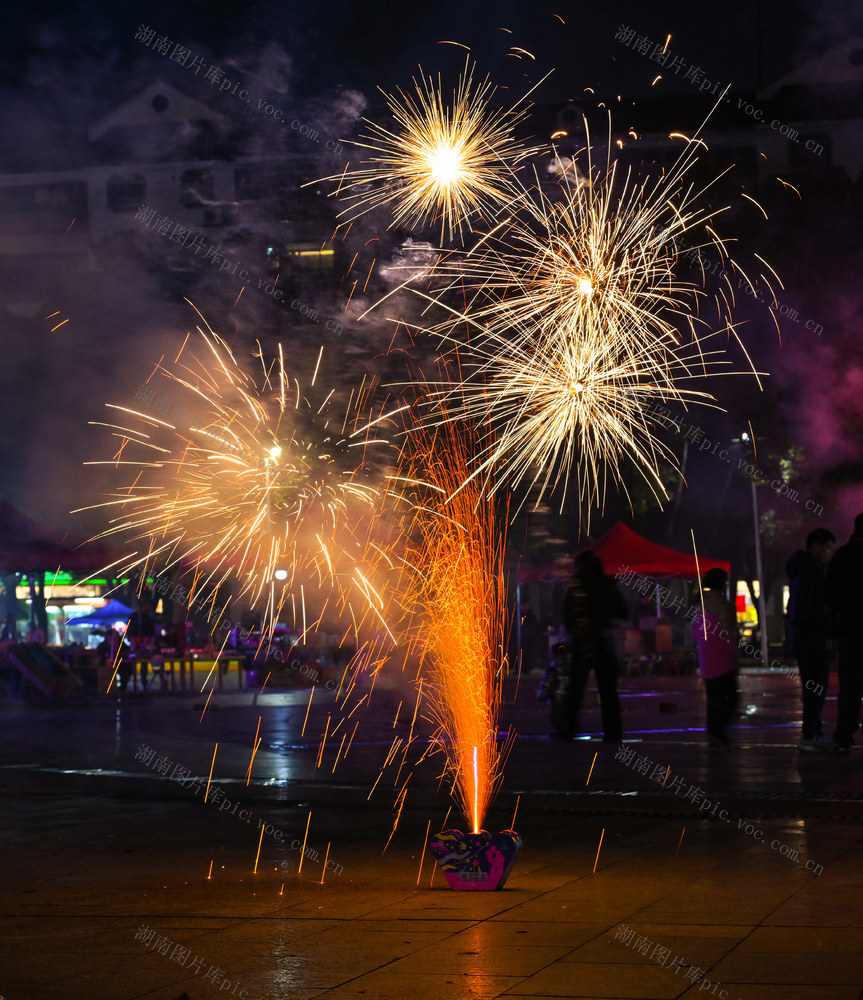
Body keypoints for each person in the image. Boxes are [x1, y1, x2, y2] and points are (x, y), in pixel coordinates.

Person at [559, 551, 626, 743]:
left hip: (583, 642)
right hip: (604, 642)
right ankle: (613, 732)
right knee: (608, 691)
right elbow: (622, 612)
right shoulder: (608, 584)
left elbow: (568, 613)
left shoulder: (576, 584)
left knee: (575, 688)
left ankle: (569, 729)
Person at [785, 527, 835, 750]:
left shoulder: (798, 569)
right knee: (816, 686)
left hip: (802, 635)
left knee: (811, 686)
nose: (827, 553)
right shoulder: (813, 571)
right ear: (816, 545)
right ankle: (810, 734)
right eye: (826, 548)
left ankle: (812, 731)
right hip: (814, 636)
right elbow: (818, 606)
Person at [826, 513, 863, 753]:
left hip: (849, 632)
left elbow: (830, 598)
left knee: (849, 687)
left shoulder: (841, 556)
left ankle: (844, 734)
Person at [693, 568, 739, 747]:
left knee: (714, 699)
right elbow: (728, 633)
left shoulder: (699, 605)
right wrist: (733, 656)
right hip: (723, 659)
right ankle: (718, 731)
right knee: (732, 699)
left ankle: (715, 732)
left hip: (707, 660)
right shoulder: (721, 604)